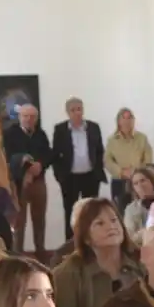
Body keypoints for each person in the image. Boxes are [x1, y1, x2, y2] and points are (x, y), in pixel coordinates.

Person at [52, 198, 144, 307]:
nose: (111, 226)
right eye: (100, 223)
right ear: (86, 238)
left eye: (114, 220)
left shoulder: (141, 261)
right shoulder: (69, 273)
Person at [51, 97, 107, 240]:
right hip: (70, 178)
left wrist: (98, 170)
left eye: (79, 109)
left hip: (90, 177)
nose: (77, 113)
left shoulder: (93, 127)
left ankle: (93, 242)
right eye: (73, 110)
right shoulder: (60, 129)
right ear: (67, 112)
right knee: (70, 213)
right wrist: (60, 177)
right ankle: (71, 247)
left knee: (92, 212)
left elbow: (100, 151)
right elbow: (55, 155)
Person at [3, 103, 52, 254]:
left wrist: (41, 164)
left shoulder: (41, 134)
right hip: (19, 183)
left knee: (39, 219)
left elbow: (48, 154)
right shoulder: (10, 133)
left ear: (36, 118)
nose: (29, 119)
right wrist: (27, 168)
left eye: (32, 116)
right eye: (25, 116)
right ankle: (18, 255)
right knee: (19, 221)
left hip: (38, 182)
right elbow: (9, 156)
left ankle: (40, 251)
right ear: (19, 117)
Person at [105, 107, 153, 209]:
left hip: (139, 180)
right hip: (119, 181)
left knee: (140, 209)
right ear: (119, 121)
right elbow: (107, 161)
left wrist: (137, 171)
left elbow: (148, 159)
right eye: (124, 118)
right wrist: (121, 172)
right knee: (120, 210)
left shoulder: (142, 138)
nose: (127, 121)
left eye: (130, 118)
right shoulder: (112, 140)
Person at [120, 166, 154, 238]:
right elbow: (129, 237)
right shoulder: (131, 209)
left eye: (143, 180)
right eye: (136, 183)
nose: (140, 185)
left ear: (152, 181)